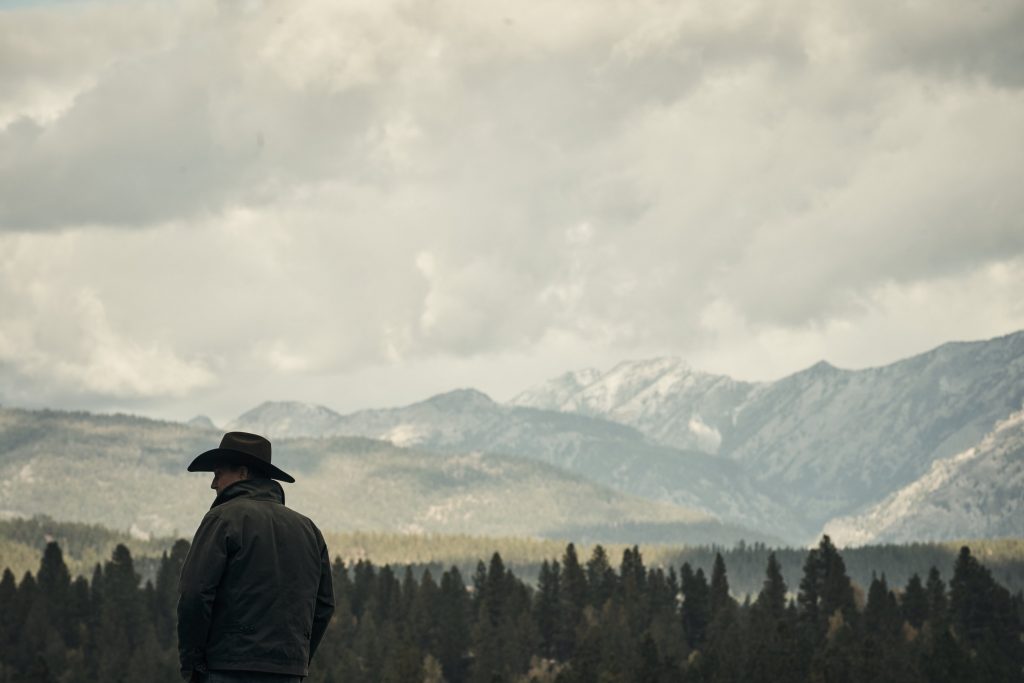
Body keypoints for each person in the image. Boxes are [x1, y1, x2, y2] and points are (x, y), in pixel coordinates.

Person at [178, 431, 335, 682]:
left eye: (218, 474)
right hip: (288, 672)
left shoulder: (223, 519)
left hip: (227, 668)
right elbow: (324, 605)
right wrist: (297, 659)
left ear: (242, 473)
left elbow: (195, 595)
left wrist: (193, 665)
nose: (213, 484)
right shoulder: (309, 530)